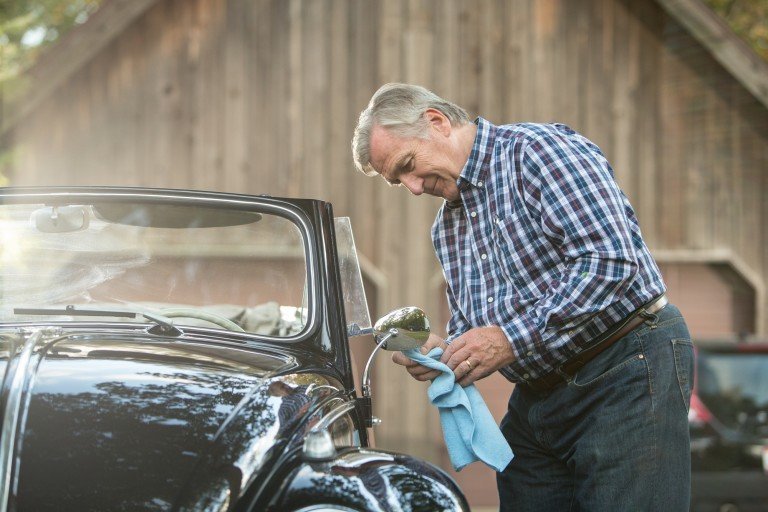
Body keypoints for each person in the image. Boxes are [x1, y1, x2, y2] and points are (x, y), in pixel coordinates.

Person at [351, 83, 694, 511]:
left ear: (436, 122)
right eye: (398, 182)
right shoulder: (447, 228)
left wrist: (510, 339)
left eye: (408, 165)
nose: (414, 188)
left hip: (624, 364)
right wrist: (445, 353)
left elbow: (610, 262)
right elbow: (481, 330)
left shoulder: (538, 152)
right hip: (539, 396)